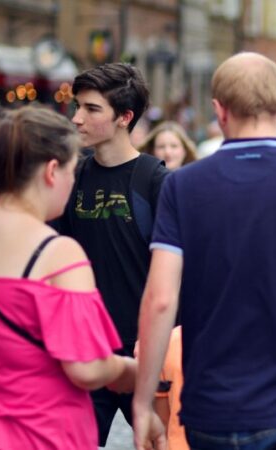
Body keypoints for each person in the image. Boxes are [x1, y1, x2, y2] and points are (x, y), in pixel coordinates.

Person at [132, 52, 276, 450]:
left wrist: (144, 402)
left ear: (219, 111)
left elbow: (159, 300)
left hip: (212, 410)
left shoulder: (183, 187)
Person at [0, 106, 135, 449]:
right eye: (73, 171)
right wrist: (130, 371)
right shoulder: (57, 253)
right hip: (42, 432)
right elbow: (86, 369)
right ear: (52, 171)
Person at [53, 62, 169, 446]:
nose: (77, 119)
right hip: (87, 352)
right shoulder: (74, 177)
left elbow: (181, 272)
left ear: (125, 117)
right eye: (78, 107)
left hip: (148, 354)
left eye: (91, 109)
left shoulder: (156, 180)